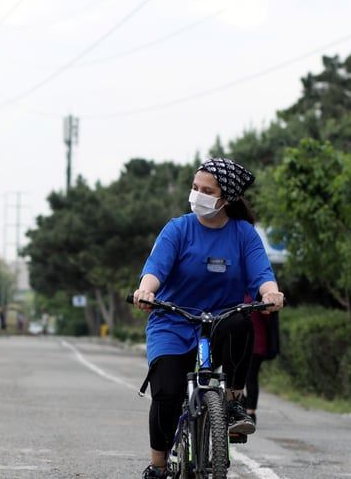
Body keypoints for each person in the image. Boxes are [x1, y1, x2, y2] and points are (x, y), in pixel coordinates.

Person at [131, 157, 285, 479]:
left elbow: (262, 274)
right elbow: (155, 269)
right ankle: (158, 466)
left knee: (241, 323)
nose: (197, 195)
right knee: (168, 392)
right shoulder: (178, 229)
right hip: (173, 322)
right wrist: (146, 291)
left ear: (225, 199)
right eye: (195, 187)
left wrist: (271, 293)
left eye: (207, 190)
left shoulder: (244, 234)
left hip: (221, 321)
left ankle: (231, 403)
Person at [244, 294, 280, 425]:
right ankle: (246, 408)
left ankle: (250, 411)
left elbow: (269, 316)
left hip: (257, 344)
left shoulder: (260, 296)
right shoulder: (239, 294)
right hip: (244, 343)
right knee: (243, 377)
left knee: (250, 377)